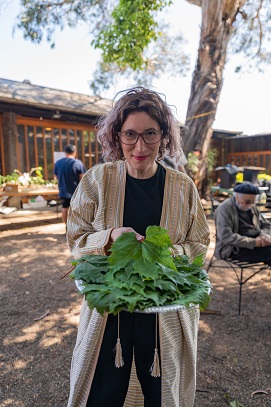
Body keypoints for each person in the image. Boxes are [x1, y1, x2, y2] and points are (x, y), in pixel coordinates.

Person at [66, 86, 210, 407]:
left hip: (164, 311)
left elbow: (199, 242)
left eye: (150, 134)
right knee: (102, 395)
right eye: (130, 134)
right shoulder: (97, 181)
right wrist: (110, 237)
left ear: (164, 137)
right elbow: (77, 240)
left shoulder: (182, 187)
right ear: (116, 136)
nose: (140, 146)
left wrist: (173, 253)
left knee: (162, 395)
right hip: (110, 311)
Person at [214, 182, 271, 264]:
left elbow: (266, 225)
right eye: (247, 201)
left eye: (253, 202)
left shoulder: (252, 206)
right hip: (234, 248)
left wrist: (264, 235)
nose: (250, 205)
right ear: (236, 196)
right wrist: (254, 242)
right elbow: (226, 236)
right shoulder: (224, 209)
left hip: (257, 243)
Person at [53, 144, 86, 225]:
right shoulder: (78, 163)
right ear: (75, 152)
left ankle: (66, 228)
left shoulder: (58, 163)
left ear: (65, 152)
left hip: (63, 190)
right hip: (76, 191)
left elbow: (55, 177)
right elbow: (82, 178)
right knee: (77, 210)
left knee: (64, 208)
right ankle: (76, 228)